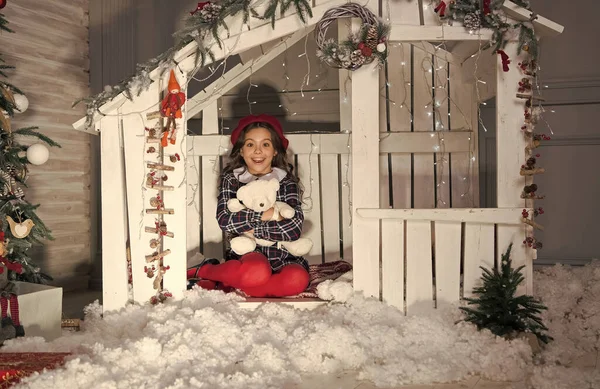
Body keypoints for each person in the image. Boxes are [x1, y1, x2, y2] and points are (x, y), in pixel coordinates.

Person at [187, 114, 310, 297]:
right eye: (250, 144)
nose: (258, 151)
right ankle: (204, 270)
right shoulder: (233, 179)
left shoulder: (285, 182)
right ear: (242, 151)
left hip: (284, 254)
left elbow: (293, 229)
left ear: (275, 150)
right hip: (248, 252)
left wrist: (253, 228)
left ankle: (230, 283)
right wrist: (263, 215)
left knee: (298, 279)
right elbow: (226, 220)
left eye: (265, 144)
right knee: (256, 272)